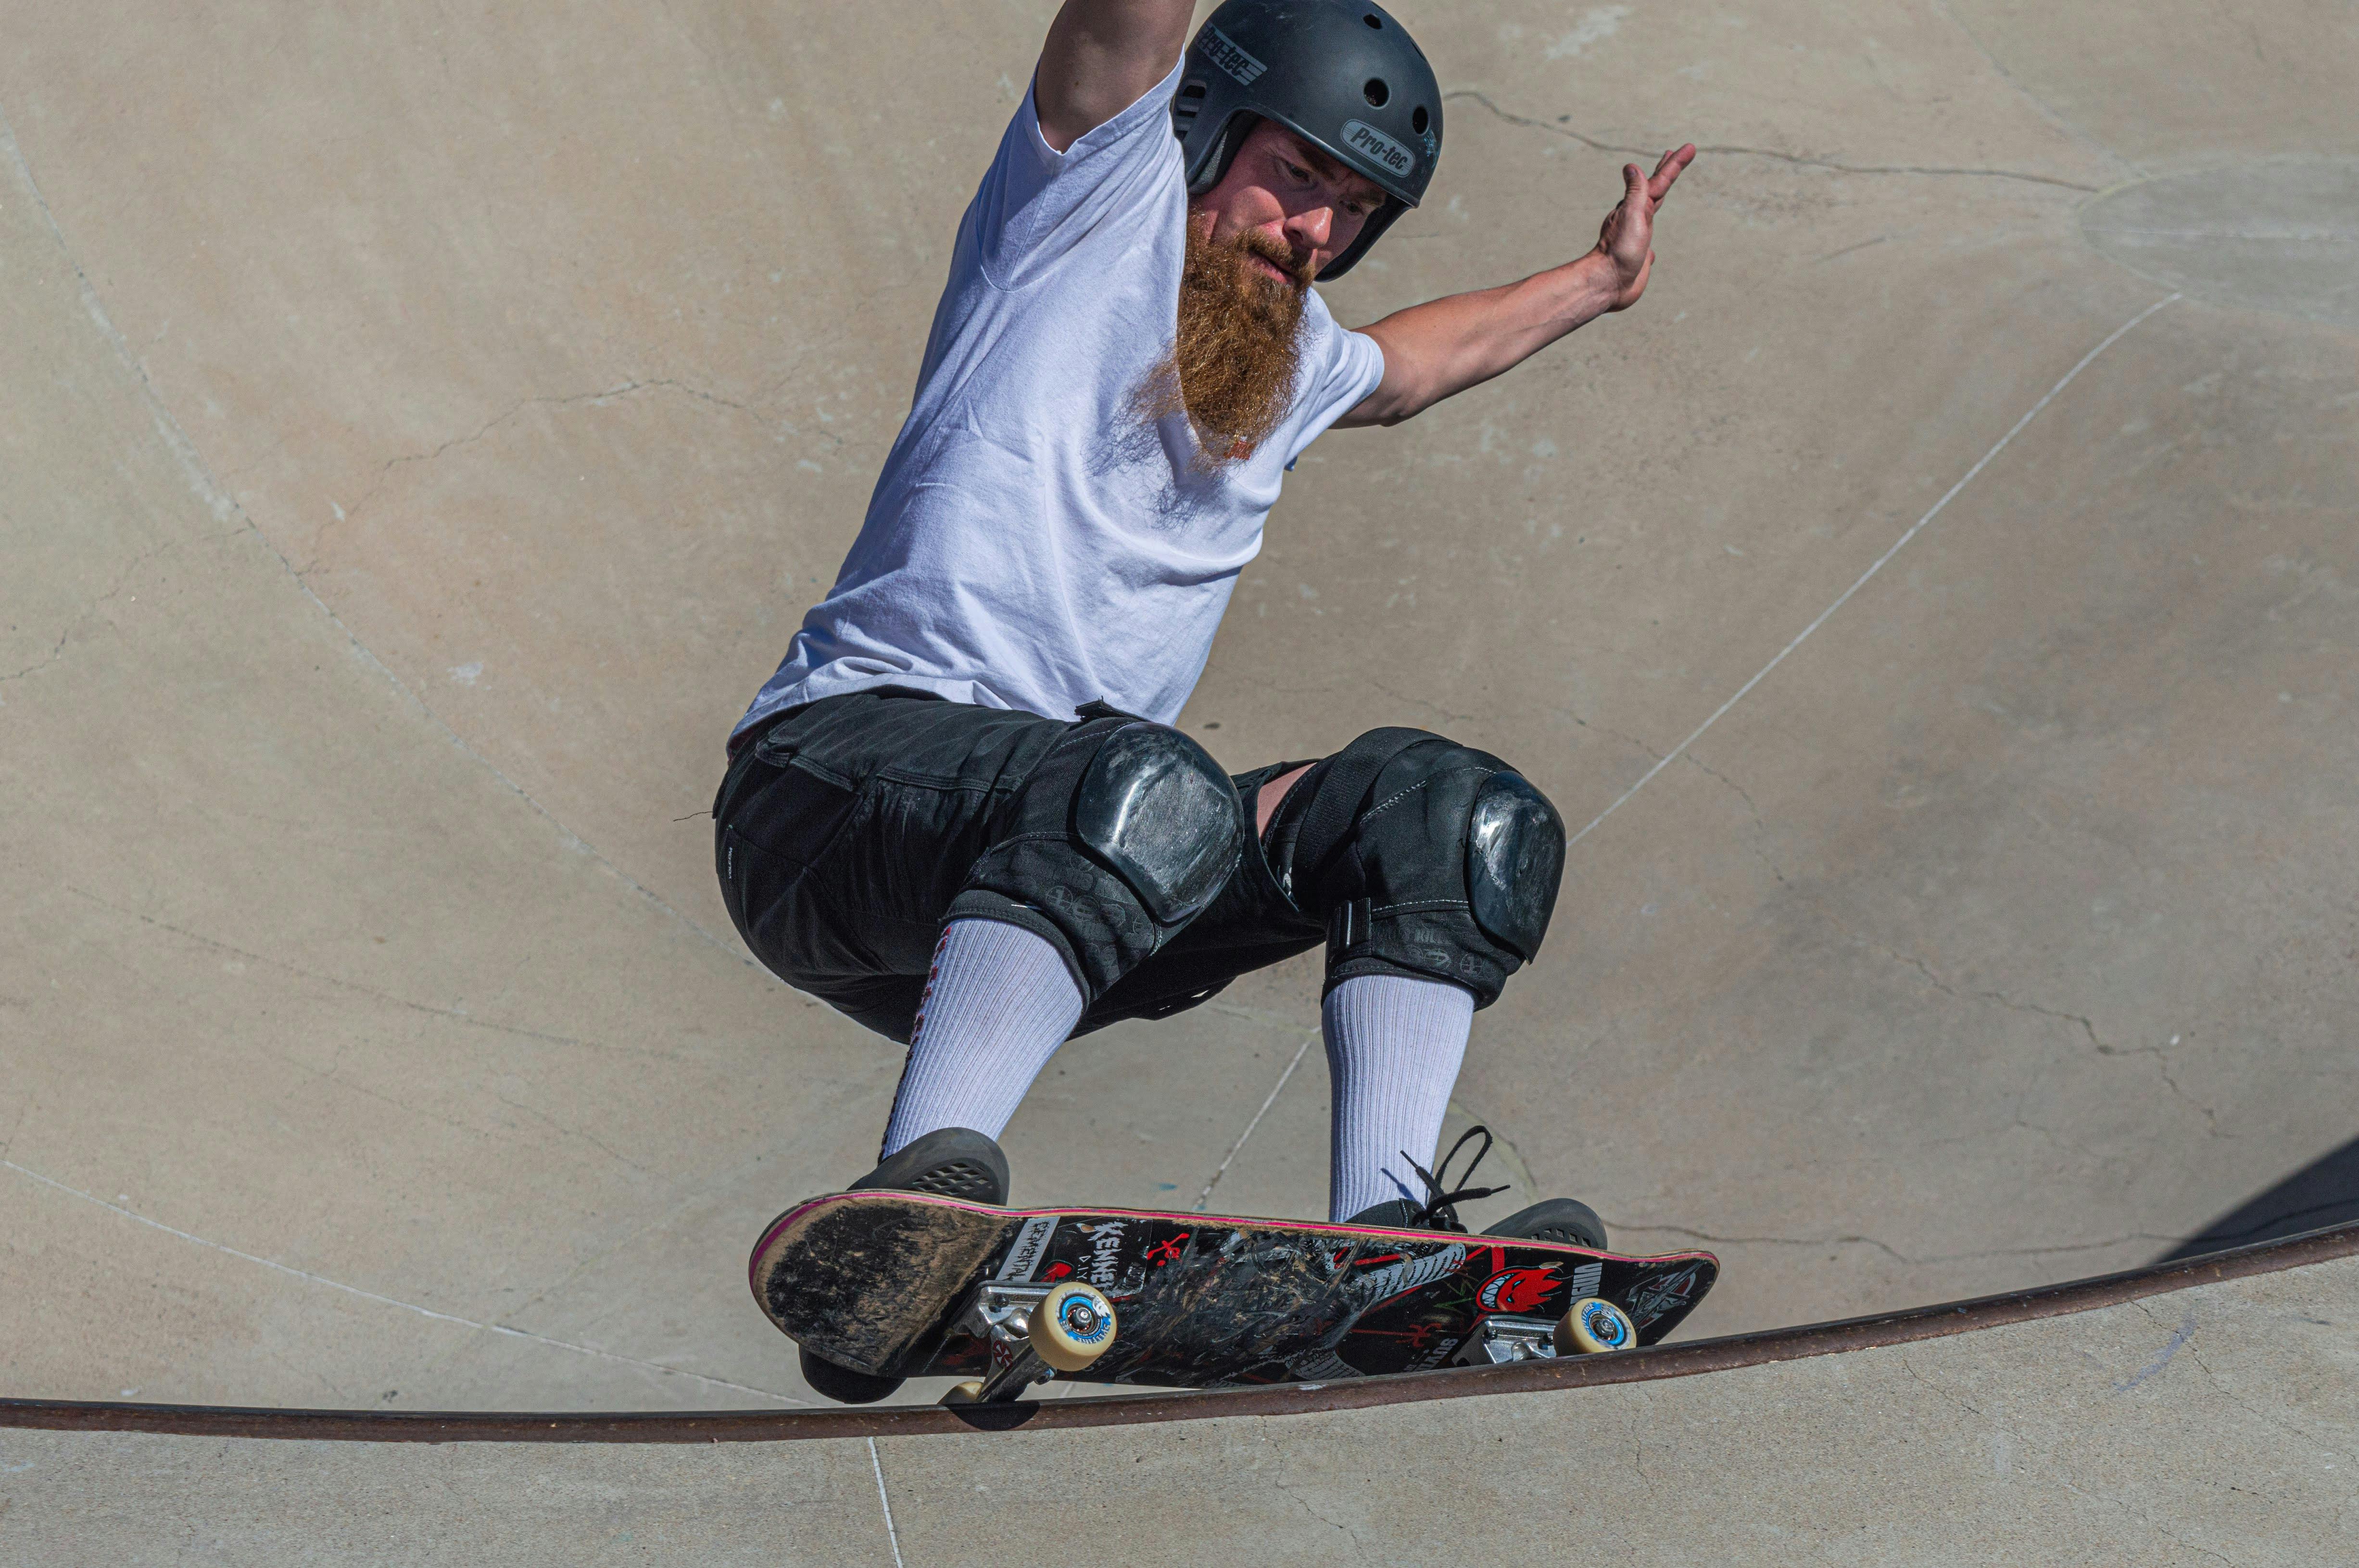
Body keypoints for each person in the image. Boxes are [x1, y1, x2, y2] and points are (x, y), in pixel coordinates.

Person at [714, 0, 1693, 1401]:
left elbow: (1416, 365)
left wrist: (1597, 282)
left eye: (1352, 210)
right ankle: (911, 1221)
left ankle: (1392, 1252)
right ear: (1203, 126)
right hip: (825, 804)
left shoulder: (1287, 362)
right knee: (1141, 780)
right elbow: (1126, 28)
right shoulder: (1082, 200)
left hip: (1058, 884)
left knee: (1450, 816)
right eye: (1296, 175)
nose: (1311, 232)